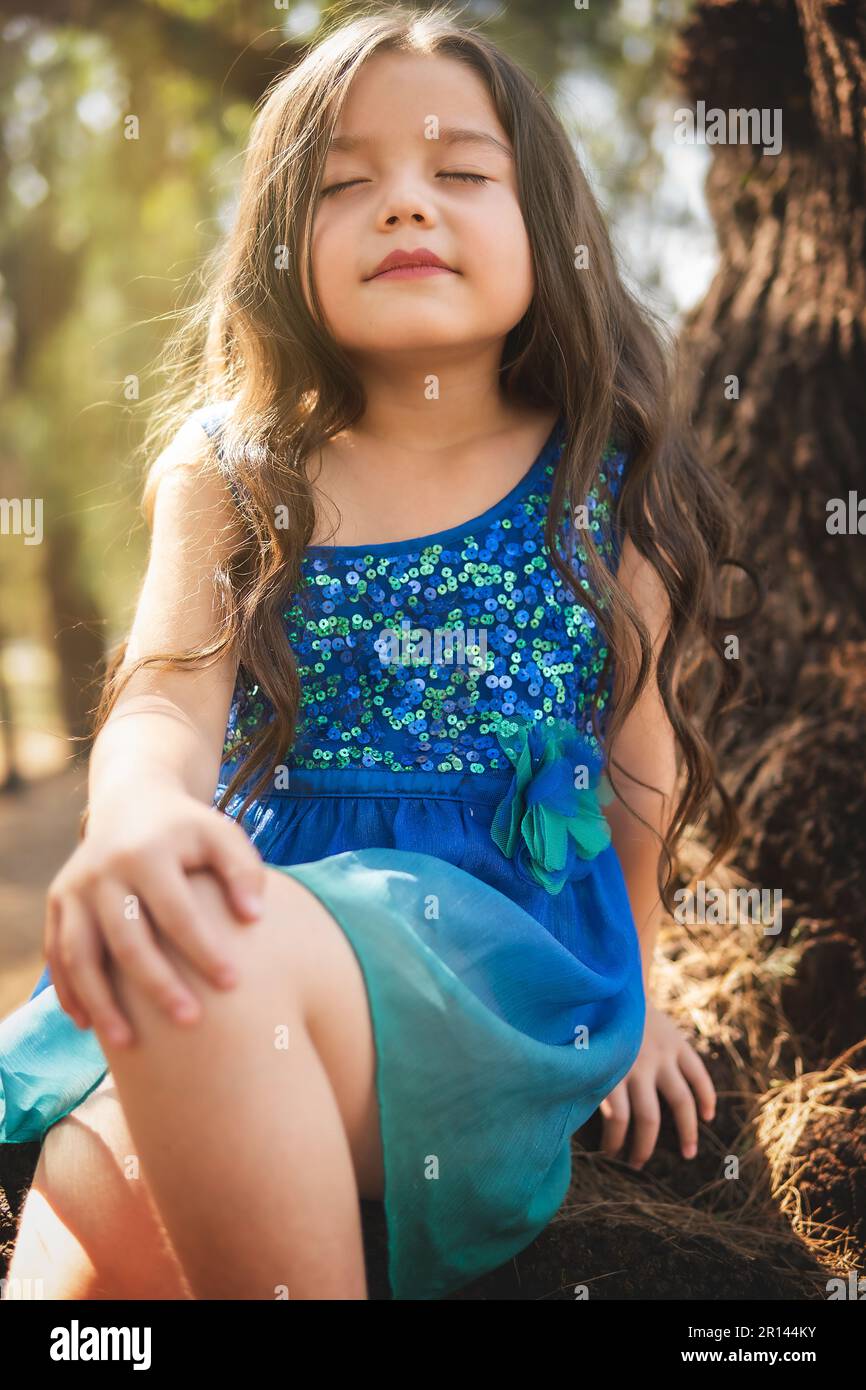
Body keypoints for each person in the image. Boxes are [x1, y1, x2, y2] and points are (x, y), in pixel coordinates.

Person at [1, 6, 748, 1302]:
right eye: (346, 184)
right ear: (282, 244)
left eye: (459, 172)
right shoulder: (233, 474)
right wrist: (127, 816)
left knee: (208, 987)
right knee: (80, 1228)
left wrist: (634, 995)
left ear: (551, 230)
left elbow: (641, 757)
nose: (404, 206)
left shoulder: (600, 474)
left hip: (486, 965)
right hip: (242, 930)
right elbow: (168, 696)